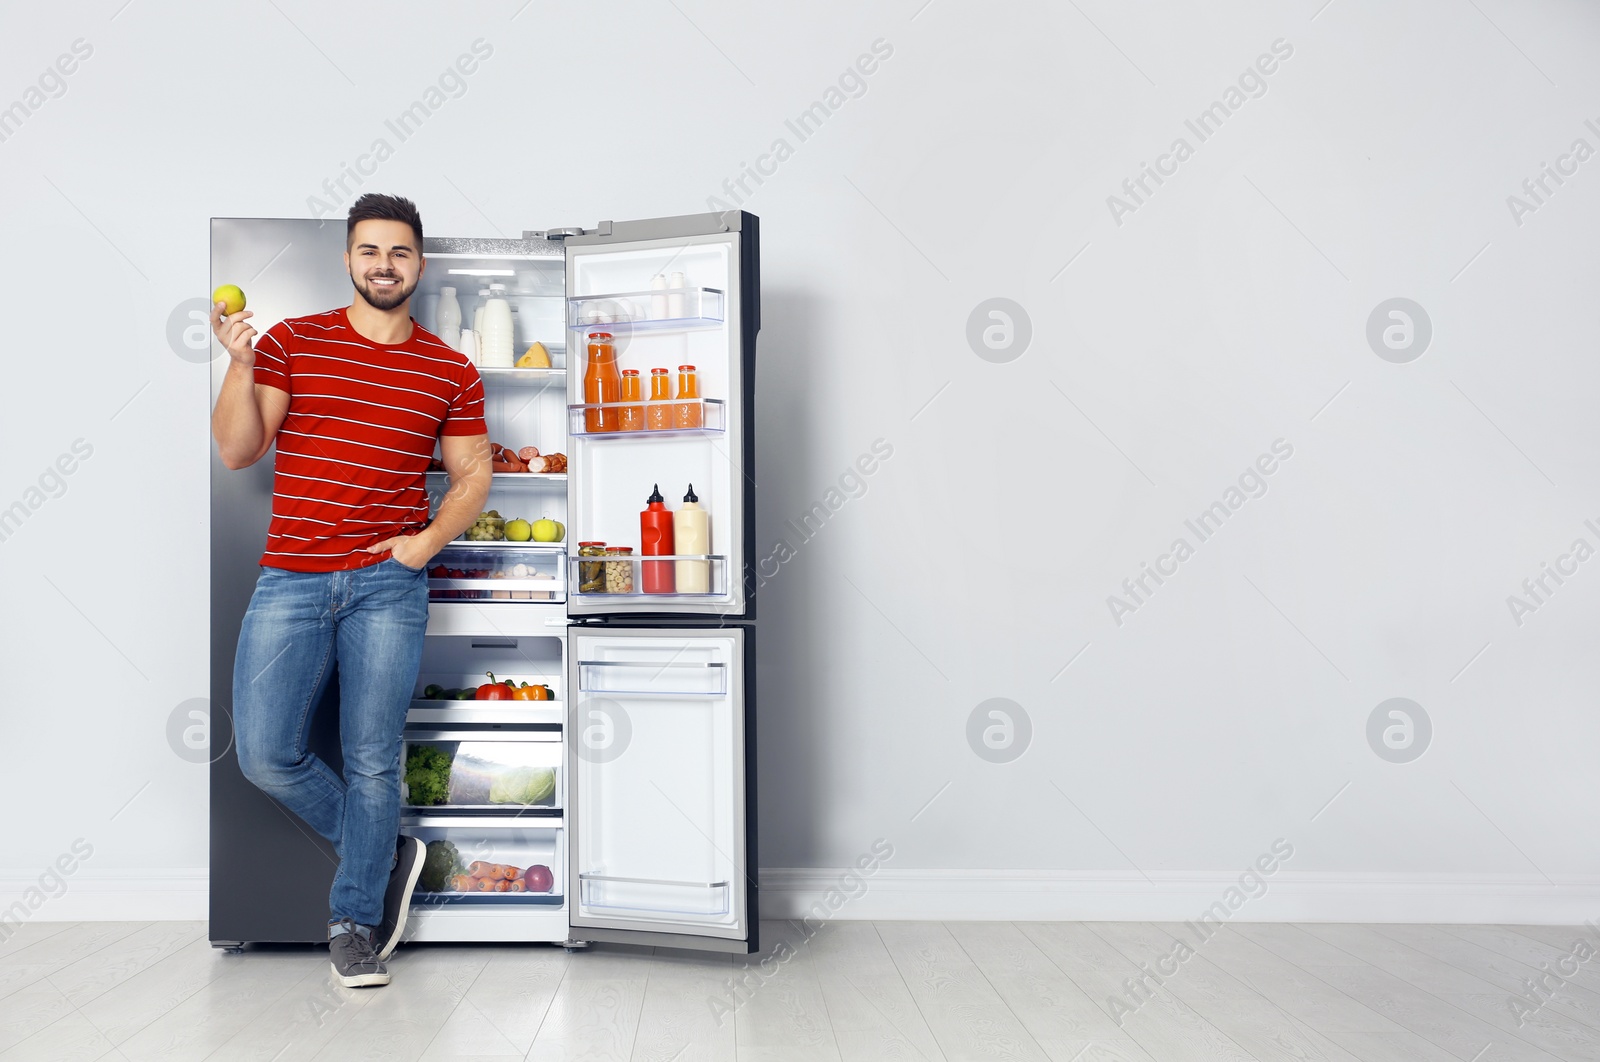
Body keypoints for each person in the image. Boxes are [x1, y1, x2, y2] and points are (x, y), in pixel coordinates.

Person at [209, 193, 491, 987]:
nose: (385, 265)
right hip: (292, 577)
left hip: (387, 587)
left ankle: (354, 923)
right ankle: (391, 850)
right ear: (348, 259)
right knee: (265, 754)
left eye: (399, 253)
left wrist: (425, 544)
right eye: (371, 251)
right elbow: (238, 450)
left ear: (419, 264)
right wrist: (238, 363)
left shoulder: (449, 367)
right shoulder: (294, 342)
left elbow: (473, 473)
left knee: (374, 763)